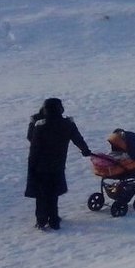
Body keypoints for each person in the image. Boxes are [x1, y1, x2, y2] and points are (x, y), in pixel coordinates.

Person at [26, 97, 89, 230]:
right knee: (53, 193)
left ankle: (41, 220)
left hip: (40, 166)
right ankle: (54, 220)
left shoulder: (40, 126)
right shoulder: (67, 124)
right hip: (58, 164)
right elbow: (77, 138)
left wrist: (32, 123)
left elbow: (32, 139)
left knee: (41, 194)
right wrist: (85, 150)